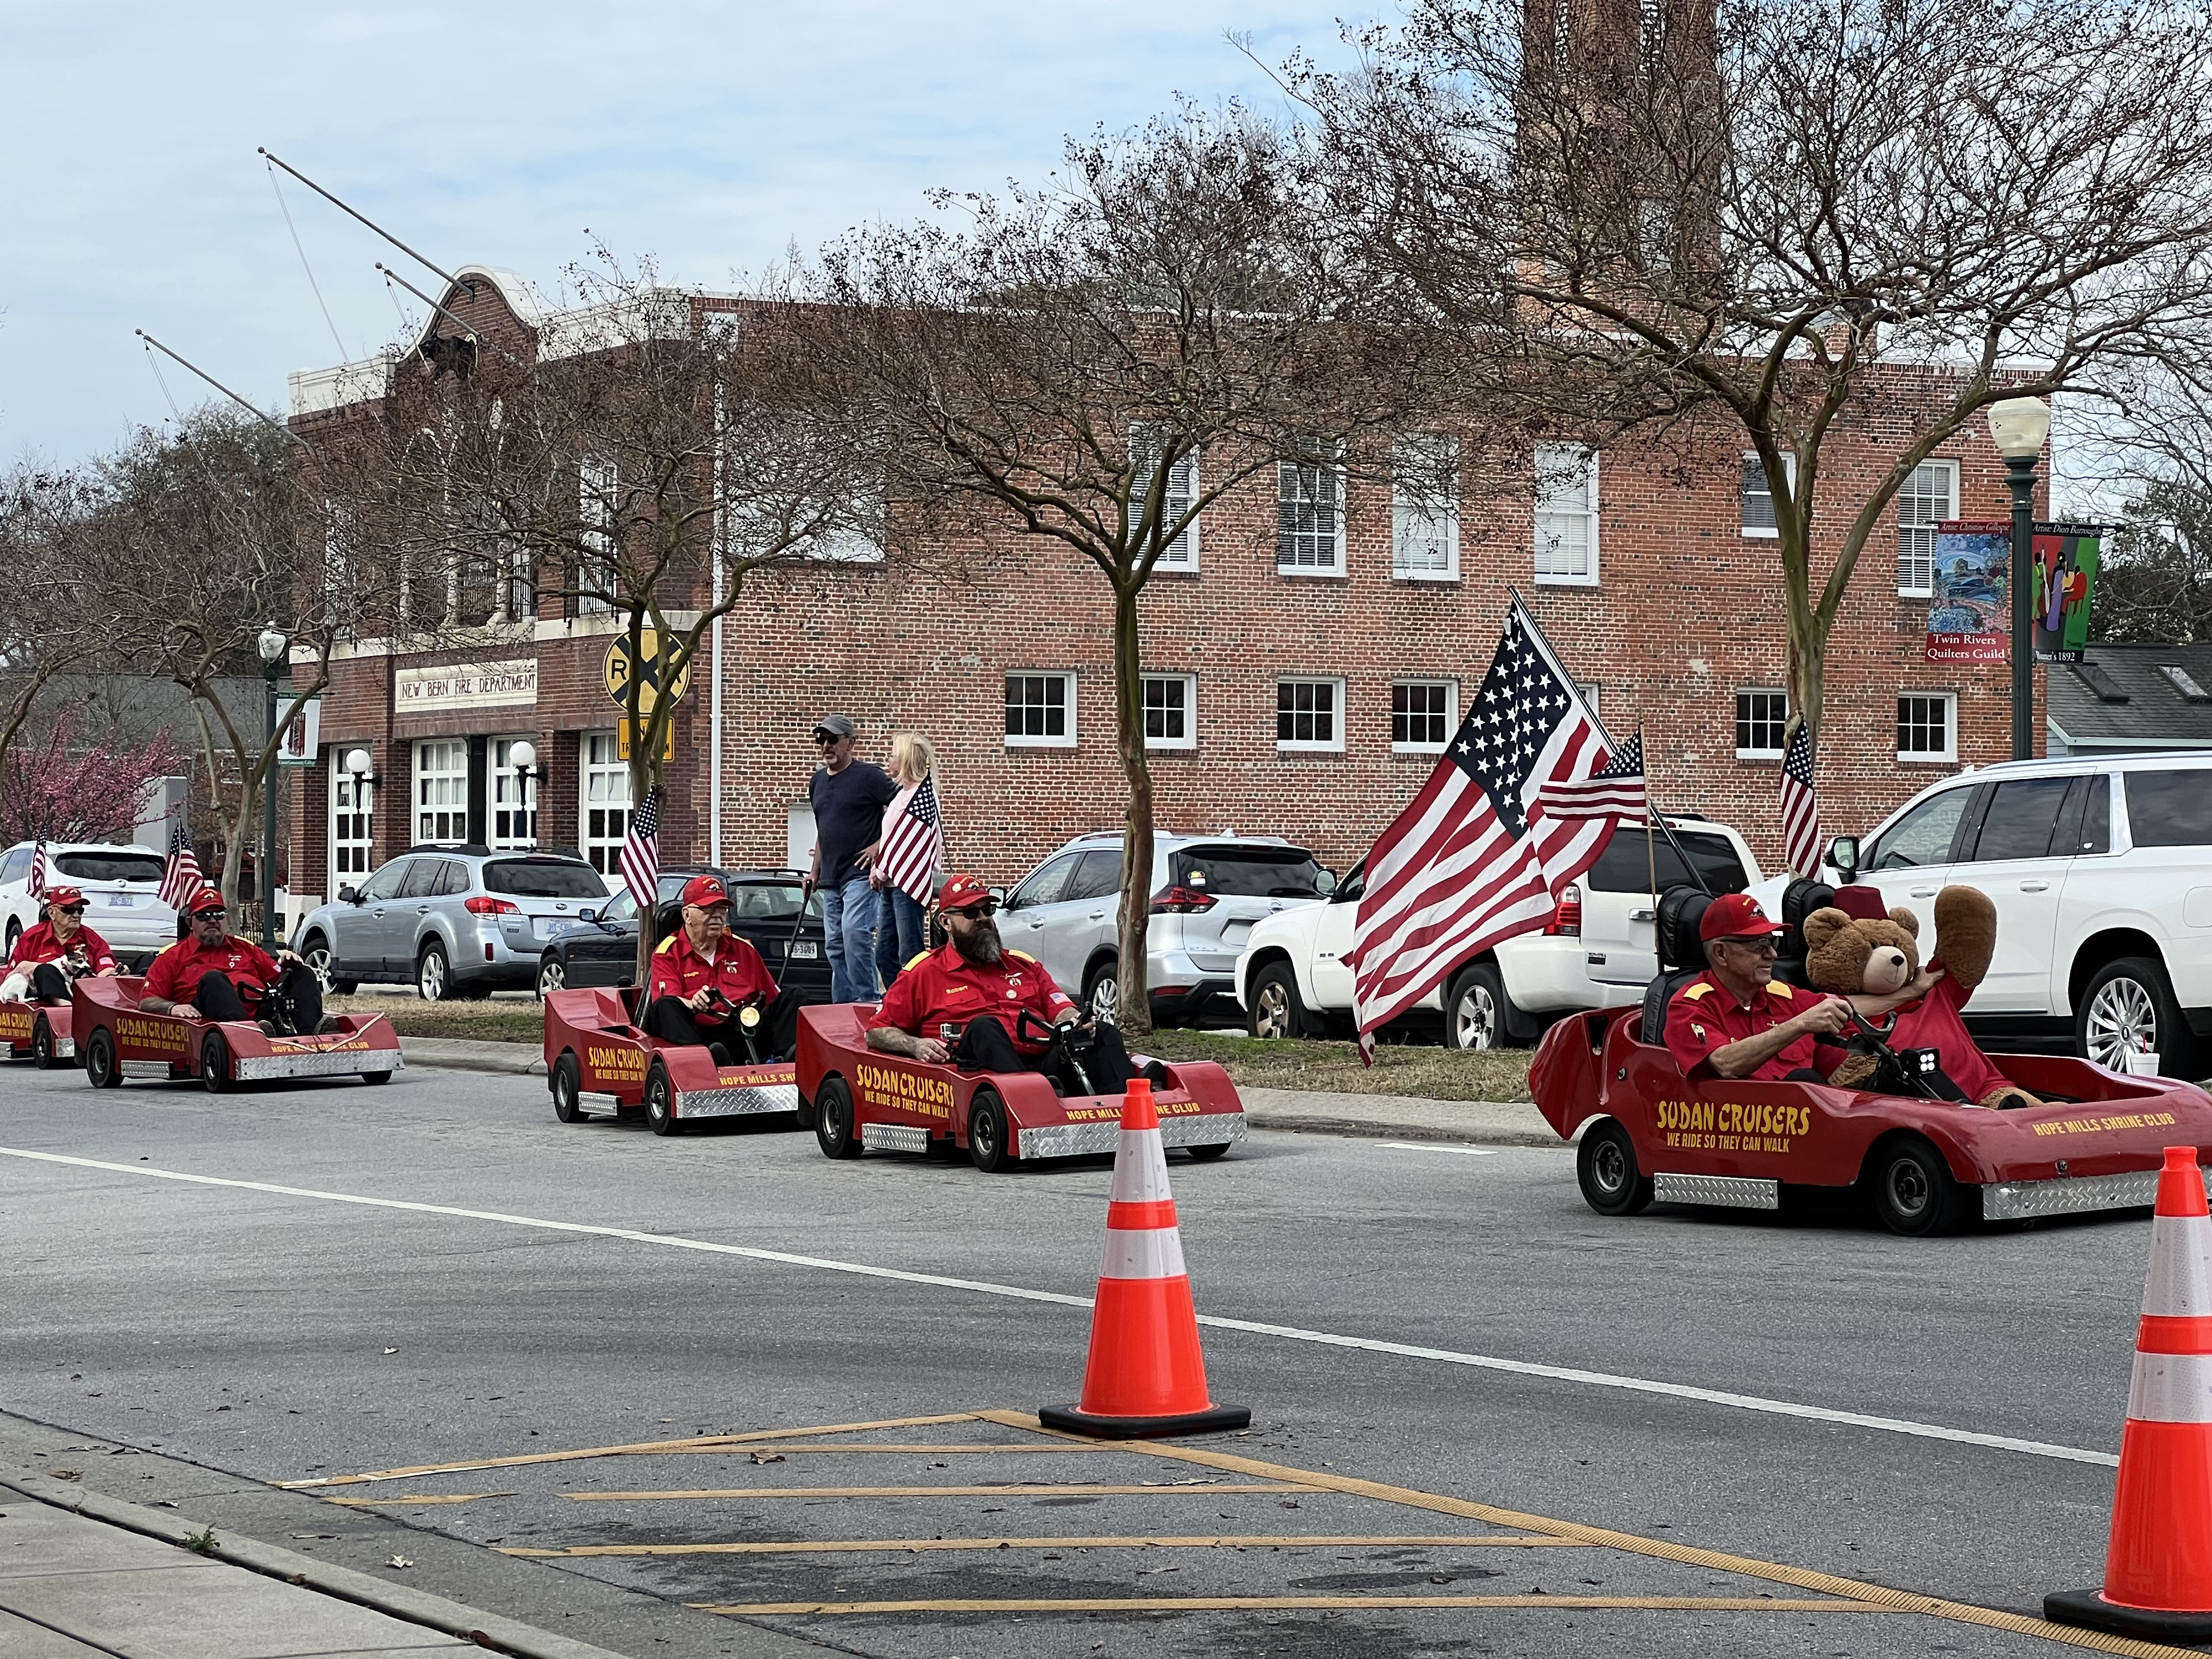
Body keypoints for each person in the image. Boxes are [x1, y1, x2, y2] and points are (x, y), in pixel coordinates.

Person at [866, 872, 1165, 1093]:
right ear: (946, 923)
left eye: (988, 910)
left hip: (1043, 1063)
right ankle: (1033, 1093)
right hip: (976, 1074)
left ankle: (1135, 1099)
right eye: (971, 913)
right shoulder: (923, 972)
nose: (983, 918)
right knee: (984, 1026)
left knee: (1101, 1032)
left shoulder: (1024, 965)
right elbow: (877, 1031)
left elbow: (1060, 1008)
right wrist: (916, 1045)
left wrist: (1075, 1021)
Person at [1663, 891, 1943, 1082]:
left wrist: (1913, 991)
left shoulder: (1780, 994)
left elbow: (1844, 1007)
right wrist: (1800, 1025)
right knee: (1804, 1081)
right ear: (1721, 954)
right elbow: (1724, 1064)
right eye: (1759, 946)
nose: (1772, 955)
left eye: (1772, 943)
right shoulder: (1688, 1006)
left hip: (1806, 1131)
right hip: (1742, 1135)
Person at [642, 873, 801, 1063]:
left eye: (722, 909)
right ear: (687, 915)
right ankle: (704, 1061)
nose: (717, 916)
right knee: (666, 1006)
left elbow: (770, 998)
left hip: (745, 1031)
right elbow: (666, 1003)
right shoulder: (667, 953)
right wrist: (693, 1003)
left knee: (794, 996)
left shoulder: (744, 949)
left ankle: (785, 1062)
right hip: (702, 1035)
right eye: (708, 909)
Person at [142, 884, 329, 1035]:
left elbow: (278, 978)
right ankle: (249, 1033)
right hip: (209, 1019)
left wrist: (288, 965)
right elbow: (146, 1001)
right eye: (203, 916)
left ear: (226, 920)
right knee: (213, 979)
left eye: (219, 915)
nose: (212, 920)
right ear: (190, 923)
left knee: (302, 972)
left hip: (262, 1015)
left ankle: (312, 1035)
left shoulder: (244, 947)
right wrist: (173, 1008)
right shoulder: (172, 956)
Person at [806, 714, 898, 1003]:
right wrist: (814, 872)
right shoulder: (817, 782)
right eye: (821, 740)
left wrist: (879, 845)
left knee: (854, 932)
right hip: (830, 877)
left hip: (860, 874)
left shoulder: (869, 776)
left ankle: (867, 1001)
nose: (826, 746)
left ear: (851, 743)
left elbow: (905, 812)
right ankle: (842, 1007)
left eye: (833, 740)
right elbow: (824, 831)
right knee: (834, 944)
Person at [872, 731, 939, 992]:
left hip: (908, 883)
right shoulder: (901, 795)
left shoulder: (923, 797)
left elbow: (909, 842)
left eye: (893, 755)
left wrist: (881, 870)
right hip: (890, 882)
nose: (889, 760)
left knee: (910, 952)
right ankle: (900, 1000)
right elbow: (891, 839)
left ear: (905, 759)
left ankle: (919, 1004)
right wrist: (880, 868)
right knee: (884, 954)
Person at [0, 887, 117, 1005]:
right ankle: (63, 1004)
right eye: (69, 910)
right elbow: (10, 977)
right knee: (46, 970)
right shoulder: (31, 938)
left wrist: (114, 973)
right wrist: (23, 967)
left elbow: (106, 970)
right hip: (41, 1002)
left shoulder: (92, 939)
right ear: (52, 913)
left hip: (84, 999)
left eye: (80, 910)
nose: (76, 915)